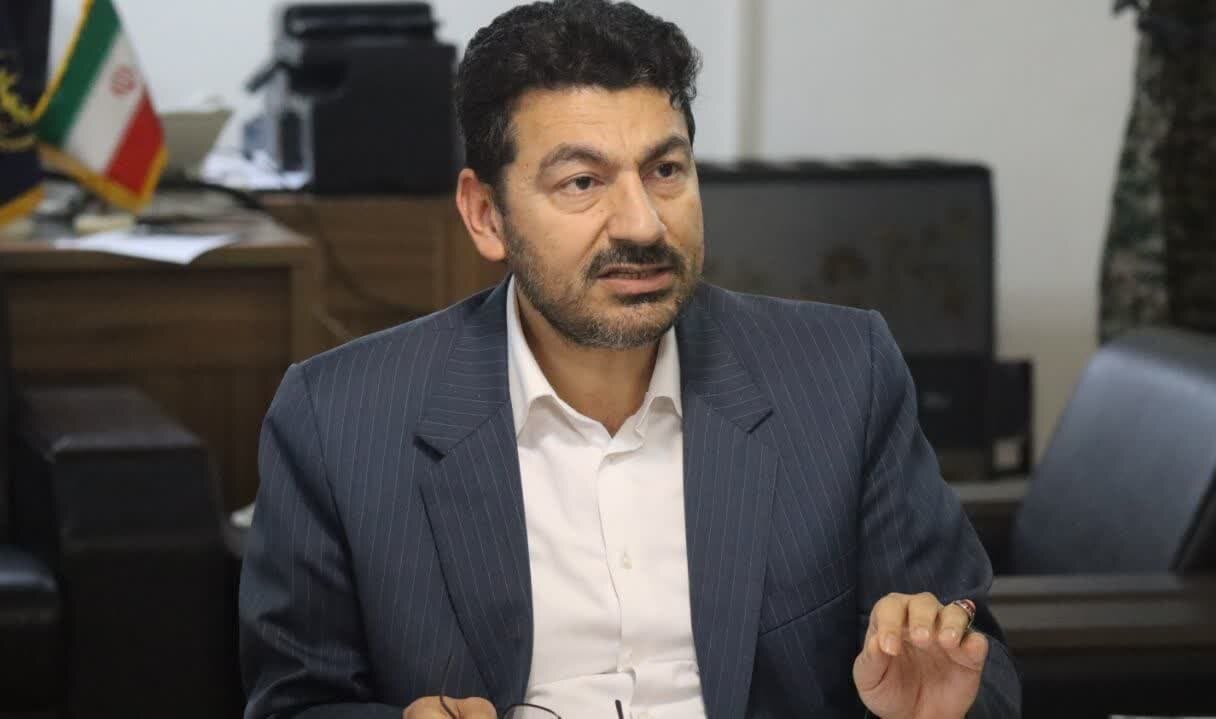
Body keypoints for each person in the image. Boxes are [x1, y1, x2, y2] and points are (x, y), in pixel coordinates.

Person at [238, 1, 1021, 717]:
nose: (643, 224)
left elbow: (976, 664)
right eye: (583, 182)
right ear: (486, 215)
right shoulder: (338, 421)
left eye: (665, 171)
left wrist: (939, 708)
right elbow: (293, 703)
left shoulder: (843, 376)